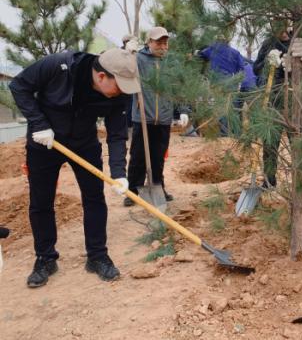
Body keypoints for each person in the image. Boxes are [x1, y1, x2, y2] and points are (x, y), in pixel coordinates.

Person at [9, 48, 141, 287]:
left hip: (84, 143)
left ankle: (97, 255)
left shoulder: (118, 94)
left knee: (94, 198)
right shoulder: (59, 65)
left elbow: (117, 134)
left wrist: (120, 173)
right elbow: (19, 86)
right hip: (44, 141)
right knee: (41, 201)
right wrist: (38, 124)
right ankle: (45, 258)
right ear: (102, 77)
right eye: (119, 86)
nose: (123, 91)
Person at [123, 27, 189, 206]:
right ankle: (133, 190)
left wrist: (183, 110)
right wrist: (127, 53)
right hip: (143, 117)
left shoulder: (171, 62)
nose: (162, 46)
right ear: (149, 42)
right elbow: (123, 71)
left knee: (158, 156)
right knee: (138, 157)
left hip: (164, 118)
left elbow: (178, 88)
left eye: (165, 42)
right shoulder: (139, 58)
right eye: (158, 42)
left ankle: (158, 186)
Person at [252, 23, 291, 188]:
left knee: (296, 143)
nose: (282, 27)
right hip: (271, 100)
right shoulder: (268, 43)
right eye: (278, 21)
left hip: (292, 102)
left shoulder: (296, 43)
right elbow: (255, 68)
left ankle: (299, 186)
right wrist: (268, 63)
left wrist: (293, 67)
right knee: (270, 144)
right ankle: (269, 181)